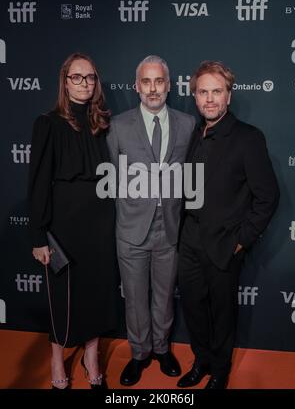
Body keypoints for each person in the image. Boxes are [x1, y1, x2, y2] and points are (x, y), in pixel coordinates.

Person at [177, 60, 280, 389]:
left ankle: (220, 370)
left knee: (222, 314)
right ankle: (202, 360)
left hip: (224, 244)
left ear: (229, 96)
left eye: (216, 92)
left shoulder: (248, 138)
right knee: (193, 308)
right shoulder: (192, 134)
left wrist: (241, 240)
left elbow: (268, 197)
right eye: (203, 92)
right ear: (195, 97)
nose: (209, 99)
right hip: (189, 239)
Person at [28, 52, 119, 389]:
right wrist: (38, 236)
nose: (85, 83)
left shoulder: (102, 125)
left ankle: (91, 356)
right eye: (77, 77)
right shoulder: (48, 124)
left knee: (96, 293)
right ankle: (56, 359)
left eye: (91, 77)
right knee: (63, 298)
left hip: (100, 224)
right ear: (65, 81)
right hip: (64, 226)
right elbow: (38, 183)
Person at [107, 55, 195, 386]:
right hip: (131, 231)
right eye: (147, 81)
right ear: (136, 86)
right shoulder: (117, 126)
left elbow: (189, 176)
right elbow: (111, 178)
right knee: (134, 298)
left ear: (169, 86)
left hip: (170, 229)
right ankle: (139, 353)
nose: (153, 88)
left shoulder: (187, 124)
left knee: (163, 296)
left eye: (159, 81)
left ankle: (161, 349)